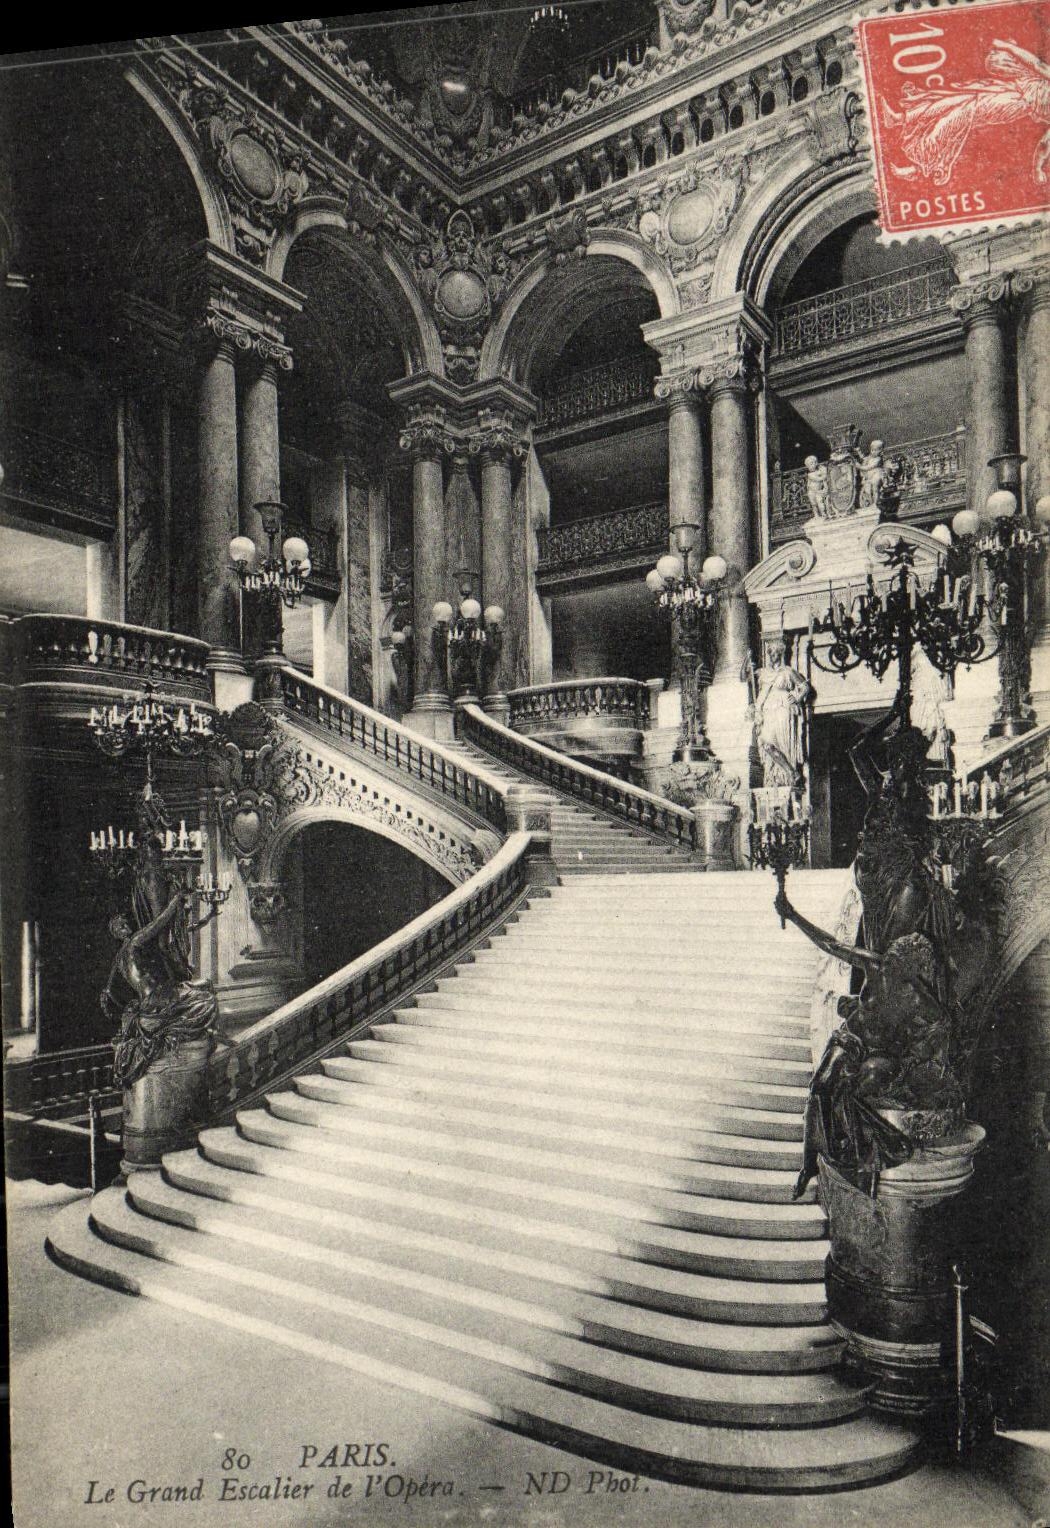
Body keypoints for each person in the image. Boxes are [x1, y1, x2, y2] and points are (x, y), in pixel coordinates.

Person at [103, 890, 218, 1090]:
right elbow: (158, 925)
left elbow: (108, 990)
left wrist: (109, 1001)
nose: (127, 926)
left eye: (126, 922)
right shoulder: (135, 942)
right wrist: (174, 901)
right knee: (206, 997)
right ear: (117, 933)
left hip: (153, 998)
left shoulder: (119, 957)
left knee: (201, 986)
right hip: (159, 998)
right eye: (121, 926)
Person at [754, 644, 812, 788]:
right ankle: (791, 772)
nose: (773, 657)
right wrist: (747, 661)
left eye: (775, 654)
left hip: (783, 709)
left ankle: (788, 776)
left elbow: (805, 686)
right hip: (767, 710)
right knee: (765, 743)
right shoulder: (763, 673)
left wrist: (797, 697)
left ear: (780, 654)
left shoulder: (788, 672)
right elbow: (743, 677)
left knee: (783, 744)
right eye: (770, 654)